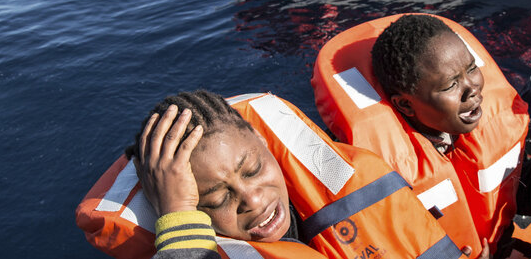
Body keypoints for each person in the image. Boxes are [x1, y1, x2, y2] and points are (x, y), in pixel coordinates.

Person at [310, 14, 531, 258]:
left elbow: (525, 192)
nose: (472, 89)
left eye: (471, 69)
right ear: (404, 104)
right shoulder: (365, 174)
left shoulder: (469, 131)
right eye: (450, 85)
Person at [79, 91, 460, 259]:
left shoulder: (351, 174)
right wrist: (175, 213)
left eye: (254, 169)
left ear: (263, 141)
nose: (254, 200)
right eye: (216, 199)